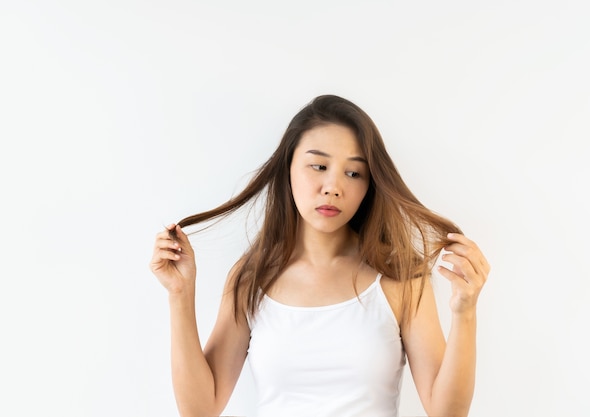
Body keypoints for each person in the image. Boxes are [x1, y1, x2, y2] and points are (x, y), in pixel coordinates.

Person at [150, 94, 490, 417]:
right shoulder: (252, 277)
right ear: (288, 169)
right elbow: (200, 409)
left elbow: (447, 413)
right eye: (318, 166)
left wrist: (466, 312)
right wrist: (180, 295)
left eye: (353, 173)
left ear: (369, 184)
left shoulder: (399, 277)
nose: (333, 186)